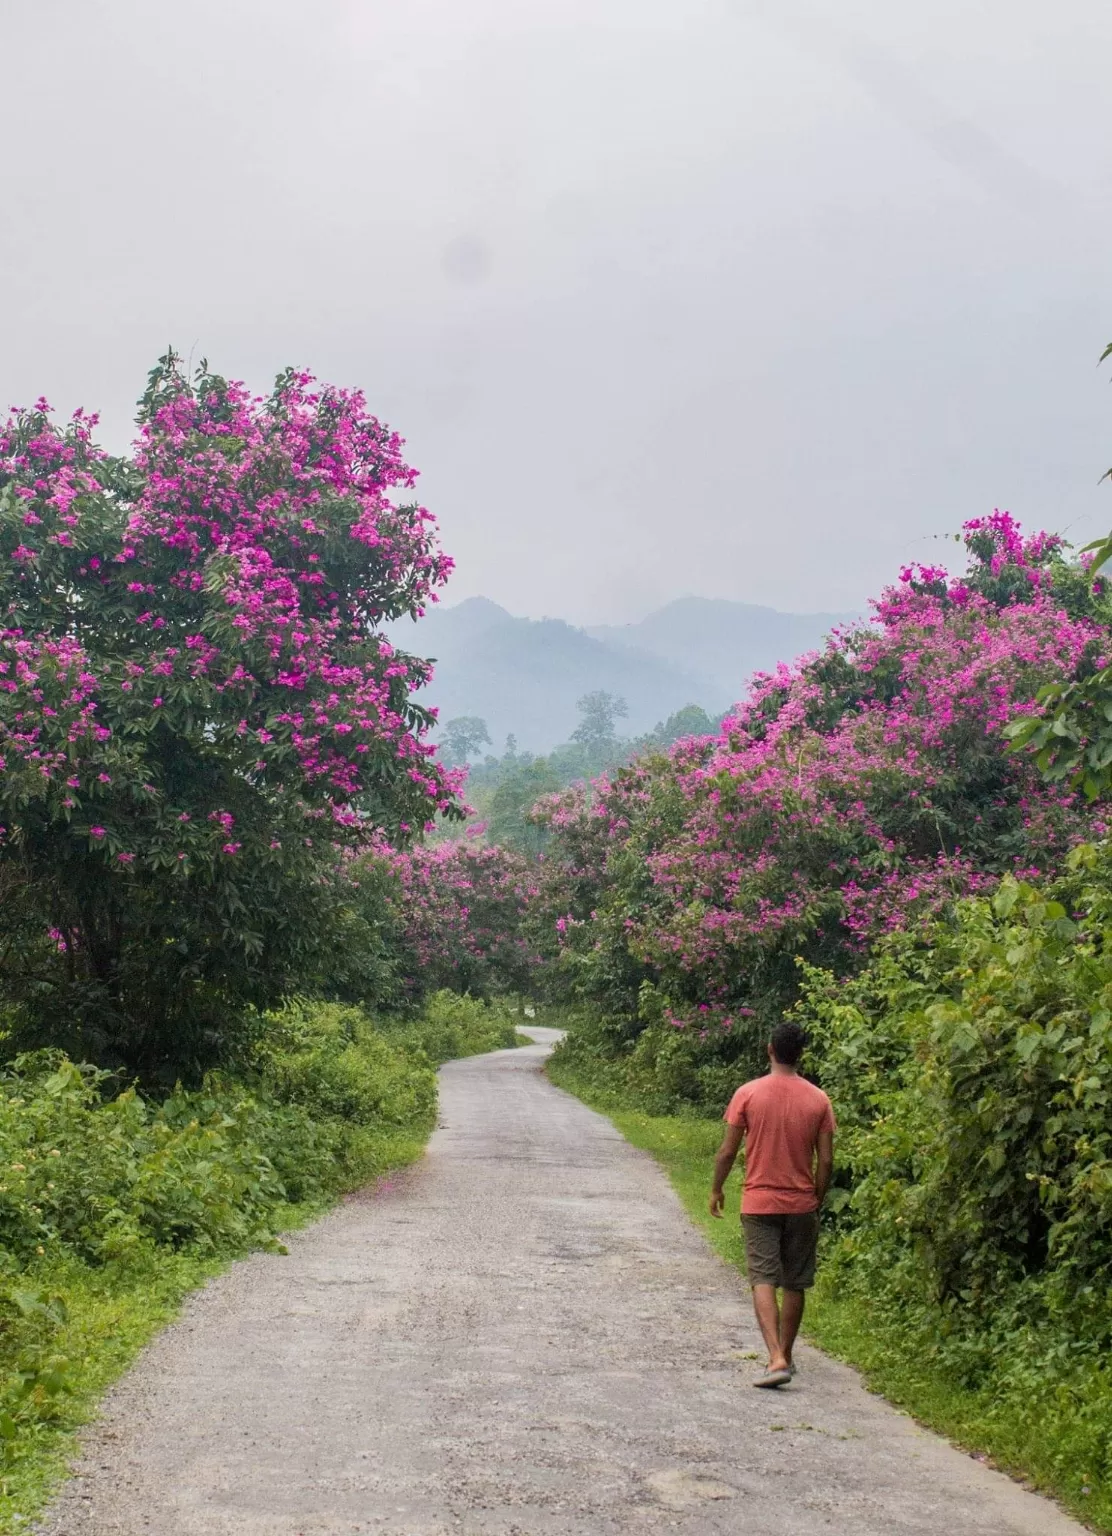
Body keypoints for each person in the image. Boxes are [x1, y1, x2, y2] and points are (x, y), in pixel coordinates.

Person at [709, 1020, 835, 1388]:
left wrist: (716, 1188)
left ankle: (775, 1357)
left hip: (759, 1202)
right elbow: (825, 1160)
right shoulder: (819, 1099)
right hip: (801, 1204)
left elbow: (728, 1150)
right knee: (795, 1281)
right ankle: (788, 1356)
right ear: (801, 1054)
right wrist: (817, 1197)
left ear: (769, 1049)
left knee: (763, 1277)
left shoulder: (748, 1093)